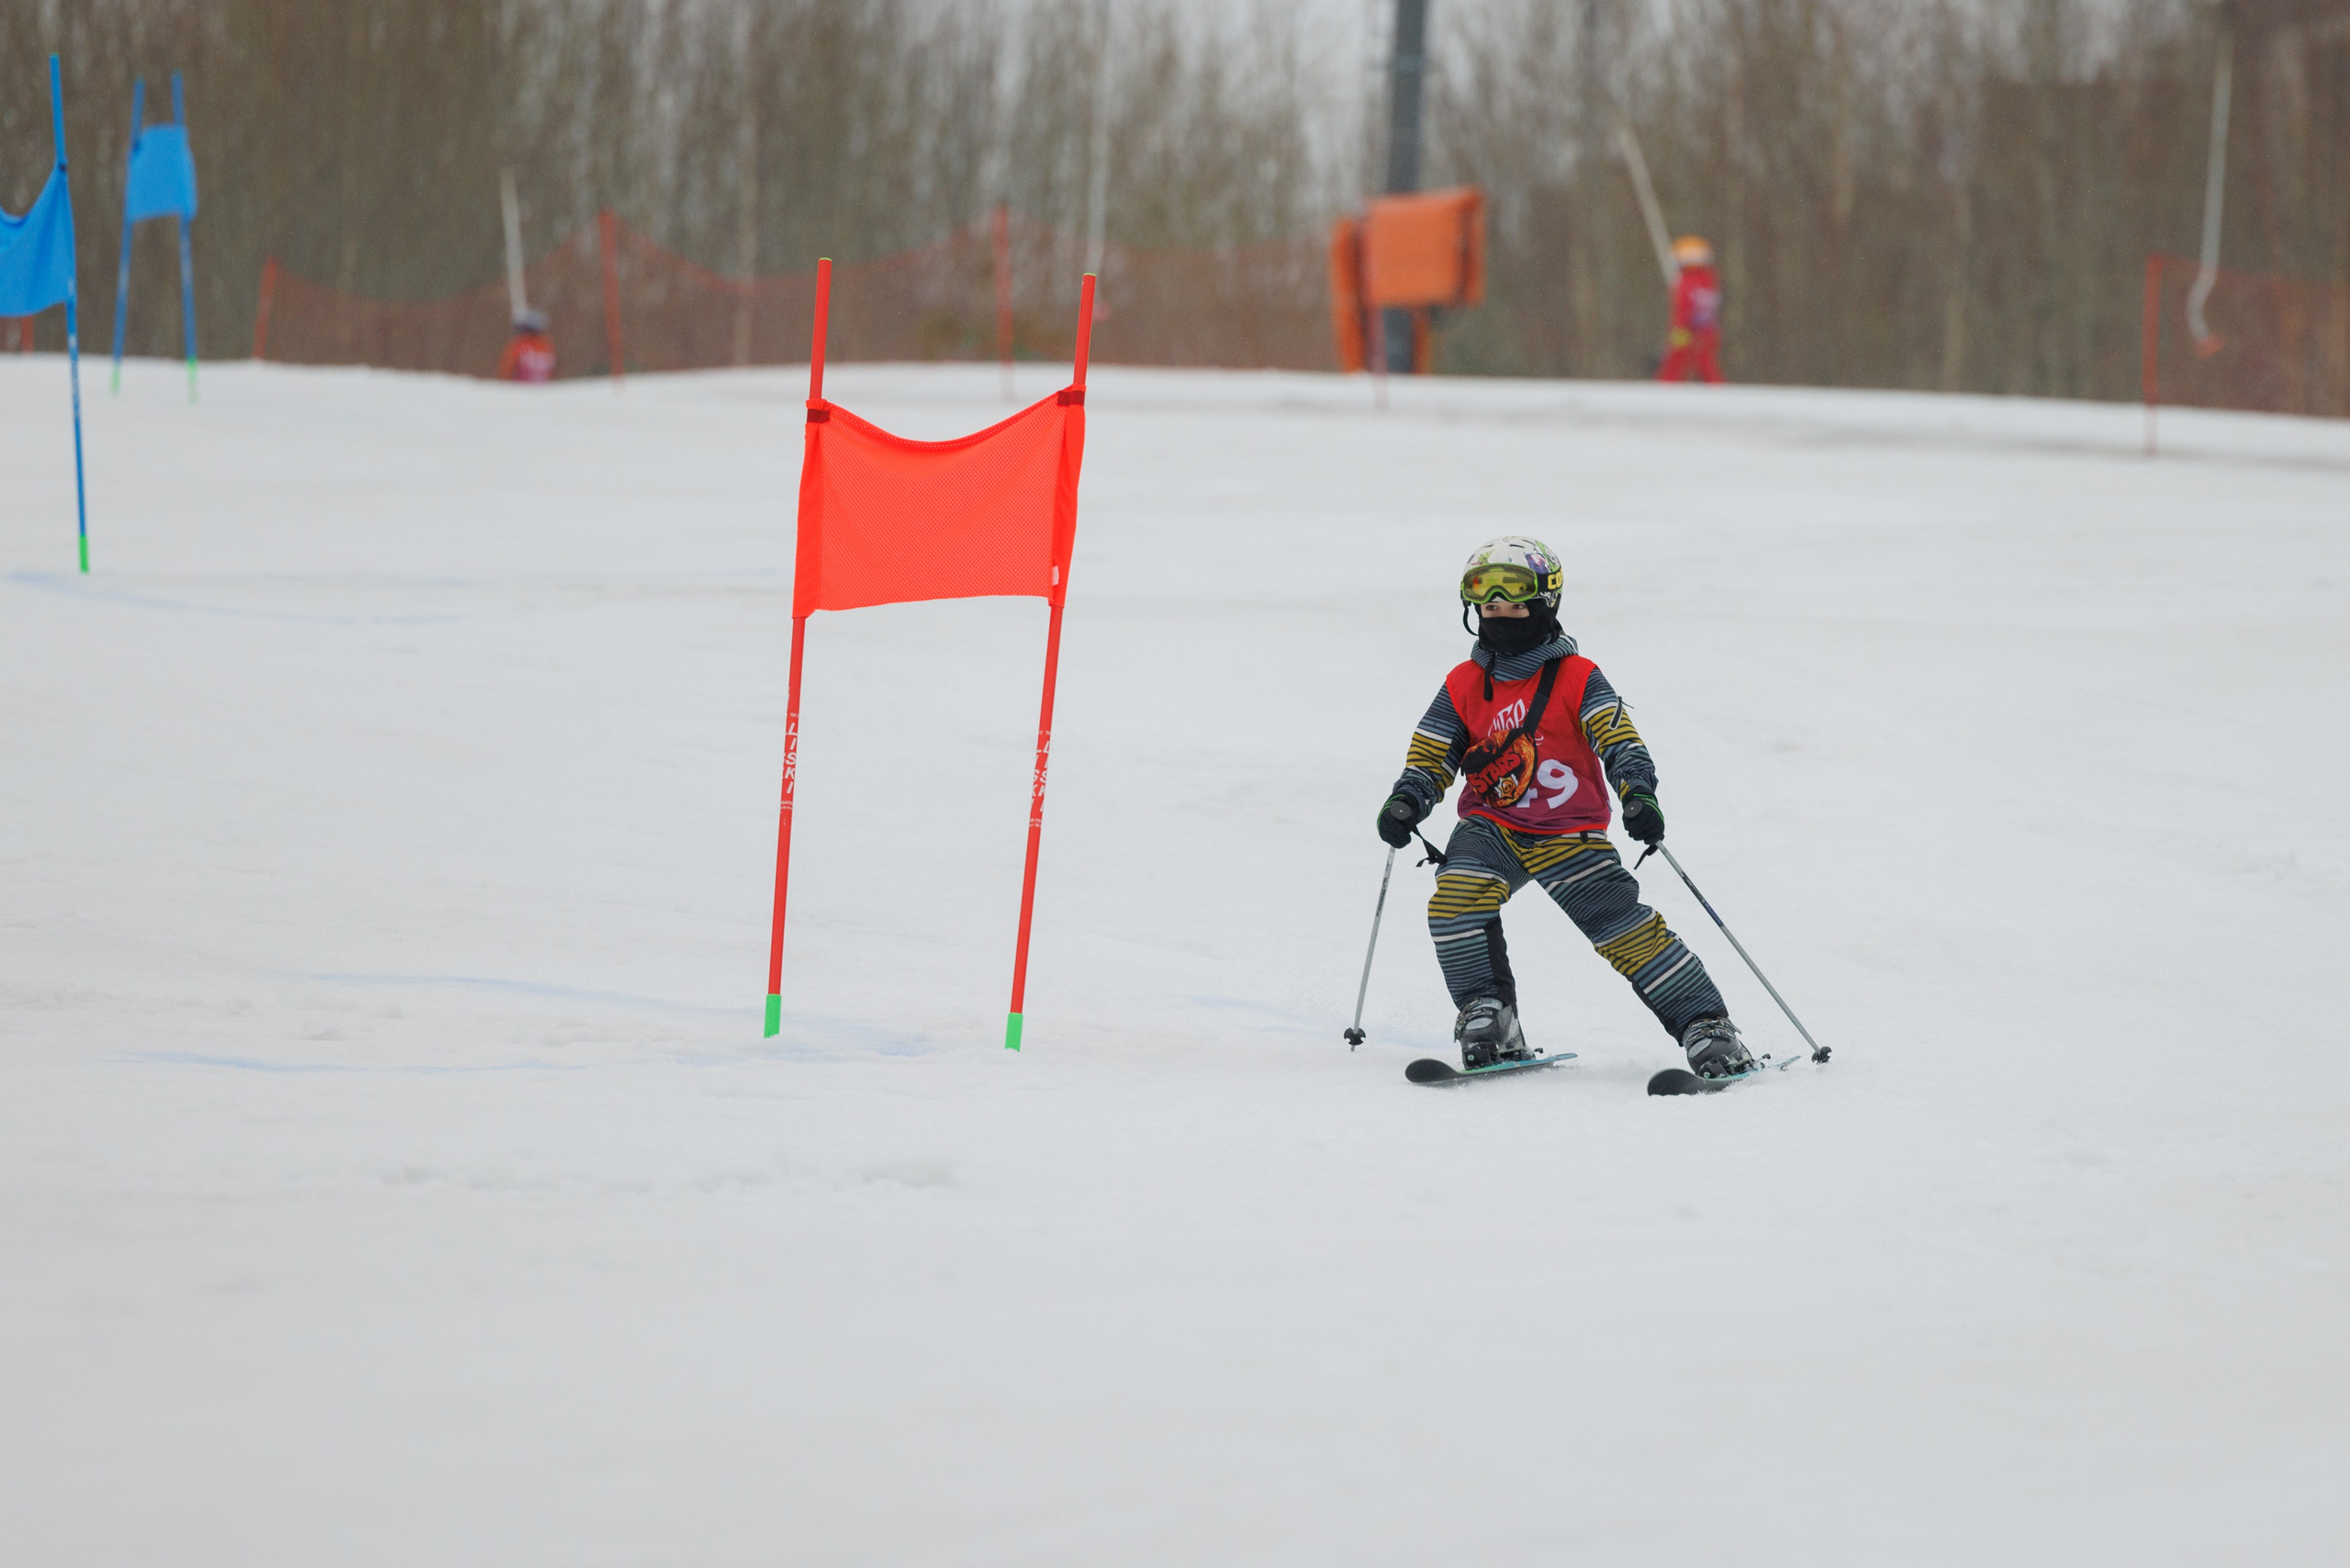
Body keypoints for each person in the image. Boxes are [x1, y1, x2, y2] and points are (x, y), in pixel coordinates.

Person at [1376, 536, 1751, 1078]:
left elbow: (1617, 737)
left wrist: (1637, 791)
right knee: (1455, 901)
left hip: (1567, 831)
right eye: (1488, 604)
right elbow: (1434, 750)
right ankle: (1489, 1016)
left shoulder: (1577, 676)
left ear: (1546, 602)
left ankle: (1707, 1028)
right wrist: (1409, 797)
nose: (1499, 613)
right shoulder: (1463, 684)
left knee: (1620, 928)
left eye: (1514, 602)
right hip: (1491, 825)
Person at [1656, 235, 1724, 385]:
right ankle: (1715, 387)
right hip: (1708, 330)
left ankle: (1666, 388)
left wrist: (1678, 331)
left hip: (1687, 330)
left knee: (1677, 360)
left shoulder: (1687, 282)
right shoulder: (1710, 280)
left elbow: (1683, 308)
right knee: (1705, 361)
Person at [498, 308, 556, 384]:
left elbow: (506, 371)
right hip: (543, 391)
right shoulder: (547, 347)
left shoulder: (519, 346)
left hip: (520, 391)